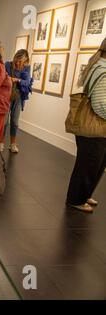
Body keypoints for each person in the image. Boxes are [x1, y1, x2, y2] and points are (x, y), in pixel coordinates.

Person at [66, 37, 106, 213]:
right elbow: (100, 104)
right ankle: (76, 199)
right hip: (94, 128)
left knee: (95, 164)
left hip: (92, 128)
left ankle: (84, 194)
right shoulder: (103, 70)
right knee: (89, 164)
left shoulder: (97, 65)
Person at [2, 49, 32, 153]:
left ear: (26, 60)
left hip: (18, 97)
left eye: (21, 61)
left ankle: (13, 144)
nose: (19, 63)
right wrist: (10, 79)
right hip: (6, 96)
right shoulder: (8, 65)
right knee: (4, 122)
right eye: (17, 60)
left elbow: (27, 83)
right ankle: (0, 143)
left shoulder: (27, 68)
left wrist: (17, 80)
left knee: (14, 122)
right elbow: (3, 78)